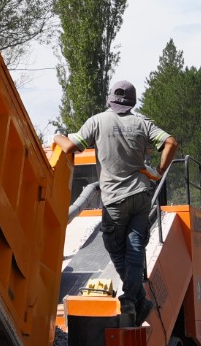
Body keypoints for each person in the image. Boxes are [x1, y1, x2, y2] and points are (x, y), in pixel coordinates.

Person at [66, 80, 177, 318]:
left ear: (110, 100)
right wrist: (157, 171)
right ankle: (134, 299)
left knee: (115, 248)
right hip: (141, 194)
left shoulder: (97, 121)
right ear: (132, 101)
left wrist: (57, 137)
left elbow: (69, 148)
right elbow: (171, 142)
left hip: (114, 198)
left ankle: (132, 298)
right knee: (136, 247)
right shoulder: (142, 123)